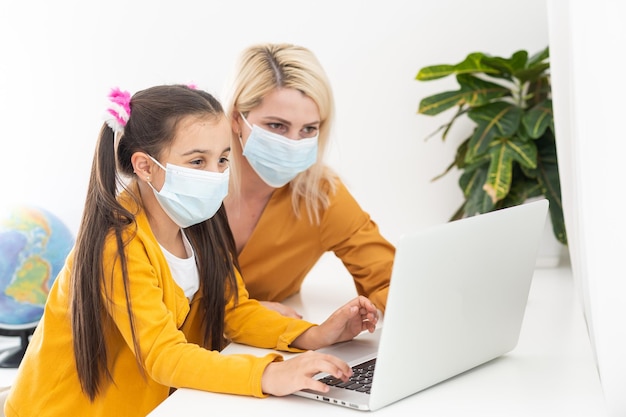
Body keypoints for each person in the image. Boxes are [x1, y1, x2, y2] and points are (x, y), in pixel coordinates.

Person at [3, 85, 378, 417]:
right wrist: (268, 373)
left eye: (223, 159)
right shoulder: (117, 246)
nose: (215, 174)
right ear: (145, 167)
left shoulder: (198, 221)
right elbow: (164, 356)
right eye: (197, 161)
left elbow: (233, 308)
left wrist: (313, 335)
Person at [223, 43, 395, 318]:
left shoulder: (321, 197)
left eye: (308, 129)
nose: (293, 143)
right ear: (236, 119)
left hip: (260, 352)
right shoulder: (189, 182)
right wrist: (241, 314)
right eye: (276, 125)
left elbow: (395, 283)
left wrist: (358, 319)